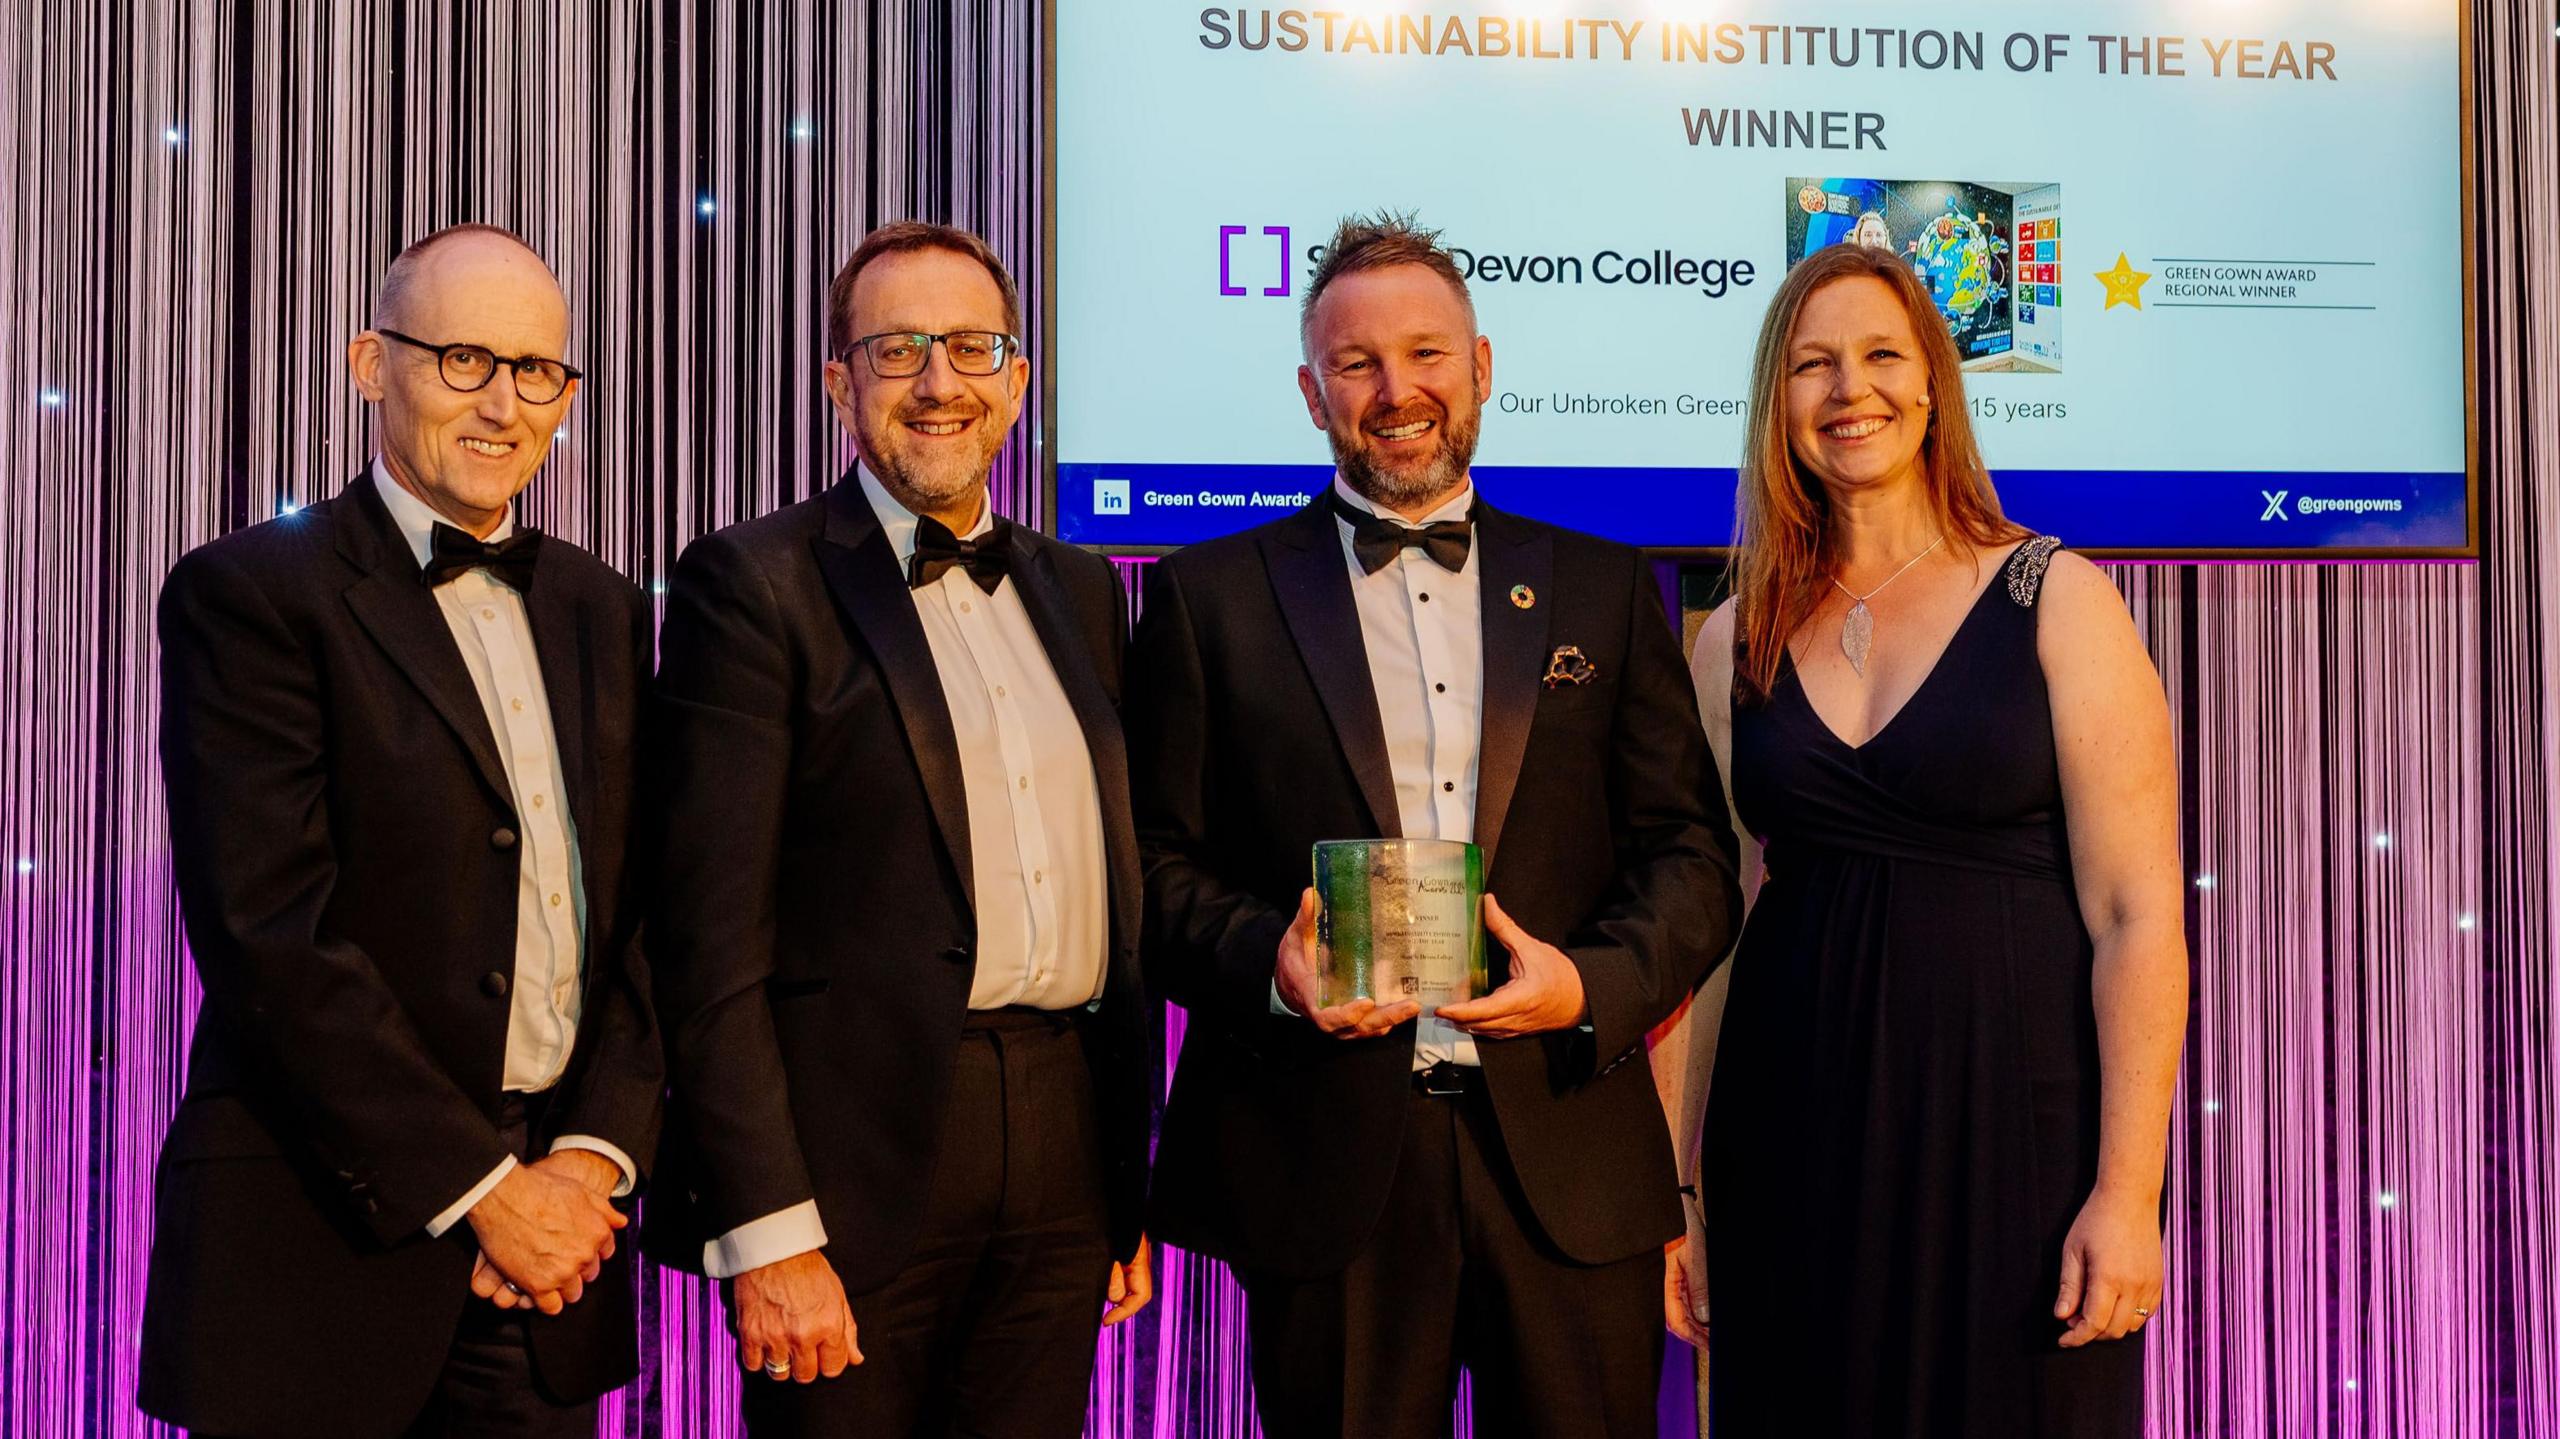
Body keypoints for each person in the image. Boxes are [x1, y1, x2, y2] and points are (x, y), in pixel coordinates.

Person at [1129, 212, 1741, 1439]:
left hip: (1568, 1144)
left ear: (1482, 368)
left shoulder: (1608, 587)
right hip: (1325, 1158)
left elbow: (1693, 860)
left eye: (1427, 355)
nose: (1395, 390)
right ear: (1311, 392)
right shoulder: (1207, 597)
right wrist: (1270, 963)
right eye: (1356, 363)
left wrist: (1586, 984)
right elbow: (1147, 867)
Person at [142, 224, 662, 1437]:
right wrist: (486, 1191)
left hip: (553, 1260)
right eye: (464, 359)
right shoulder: (251, 592)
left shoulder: (604, 606)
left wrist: (589, 1160)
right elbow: (271, 931)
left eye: (537, 370)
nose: (504, 404)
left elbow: (653, 918)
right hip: (322, 1235)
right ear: (373, 363)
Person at [648, 221, 1154, 1438]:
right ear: (839, 382)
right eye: (897, 349)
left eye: (973, 347)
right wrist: (767, 1231)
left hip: (1064, 1147)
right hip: (848, 1170)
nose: (941, 382)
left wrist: (1117, 1192)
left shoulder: (1083, 588)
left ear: (1018, 381)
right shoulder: (750, 583)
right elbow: (705, 940)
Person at [1692, 239, 2187, 1436]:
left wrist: (2127, 1195)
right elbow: (1697, 939)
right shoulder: (1728, 636)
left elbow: (2138, 918)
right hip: (1791, 1137)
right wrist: (1682, 1193)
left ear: (1930, 386)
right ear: (1779, 403)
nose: (1846, 388)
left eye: (1877, 355)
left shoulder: (2055, 595)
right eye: (1812, 365)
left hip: (2012, 1142)